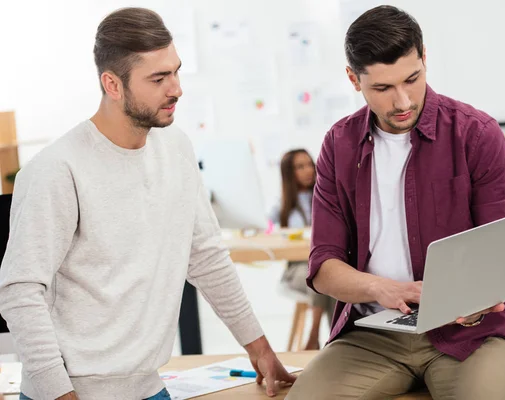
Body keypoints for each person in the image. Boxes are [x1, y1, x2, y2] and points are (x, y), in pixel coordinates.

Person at [0, 8, 295, 400]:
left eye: (175, 71)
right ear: (113, 84)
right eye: (158, 78)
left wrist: (259, 349)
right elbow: (20, 290)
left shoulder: (176, 148)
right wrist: (58, 393)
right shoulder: (57, 169)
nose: (176, 89)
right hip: (71, 393)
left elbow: (205, 256)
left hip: (150, 386)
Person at [288, 5, 505, 400]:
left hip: (469, 335)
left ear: (425, 57)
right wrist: (383, 289)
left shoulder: (476, 134)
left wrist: (479, 298)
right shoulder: (338, 145)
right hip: (373, 334)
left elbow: (503, 252)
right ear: (353, 79)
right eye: (382, 88)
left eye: (412, 79)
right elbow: (324, 269)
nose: (402, 101)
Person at [269, 149, 336, 350]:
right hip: (296, 269)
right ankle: (320, 337)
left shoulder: (326, 197)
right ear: (289, 173)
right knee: (321, 278)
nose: (308, 170)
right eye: (300, 167)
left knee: (333, 280)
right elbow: (265, 232)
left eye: (309, 164)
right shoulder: (280, 207)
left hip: (322, 265)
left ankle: (327, 340)